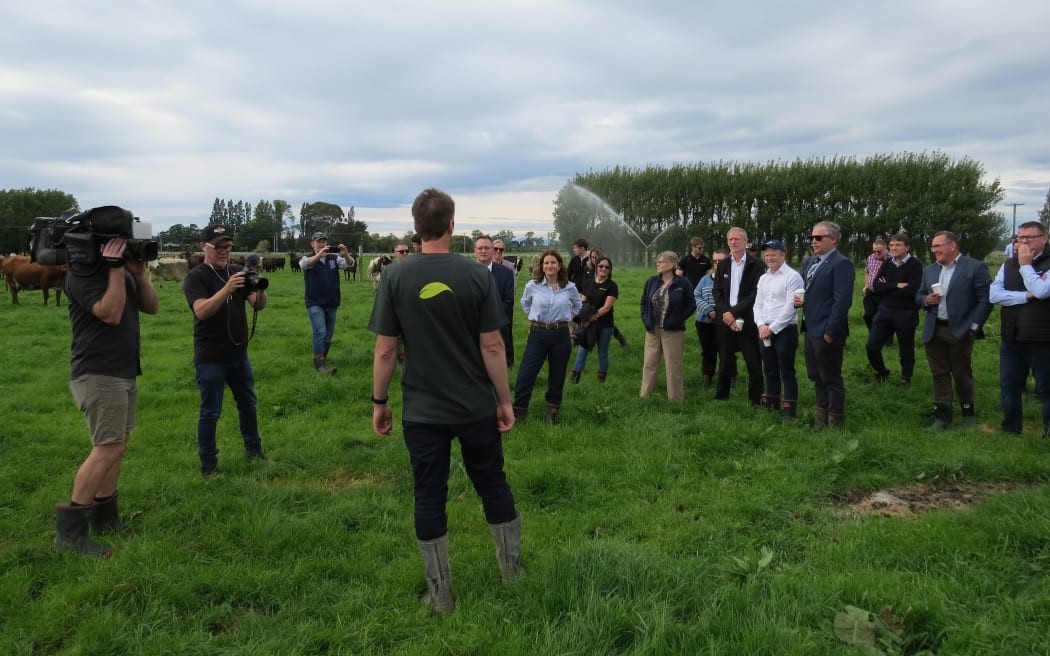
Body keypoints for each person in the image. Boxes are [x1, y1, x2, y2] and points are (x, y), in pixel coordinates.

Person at [369, 188, 520, 613]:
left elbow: (384, 350)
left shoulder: (396, 275)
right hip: (475, 405)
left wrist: (379, 400)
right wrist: (504, 400)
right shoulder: (477, 274)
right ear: (452, 226)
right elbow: (493, 346)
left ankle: (440, 594)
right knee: (492, 482)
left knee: (428, 495)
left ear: (416, 230)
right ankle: (511, 572)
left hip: (422, 410)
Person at [56, 210, 159, 557]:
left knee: (118, 443)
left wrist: (137, 274)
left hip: (123, 370)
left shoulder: (122, 273)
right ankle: (70, 533)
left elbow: (153, 307)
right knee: (106, 448)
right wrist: (115, 270)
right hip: (98, 372)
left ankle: (105, 516)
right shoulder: (83, 275)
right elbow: (111, 313)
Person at [183, 225, 268, 476]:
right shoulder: (196, 277)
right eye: (217, 247)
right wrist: (227, 289)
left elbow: (257, 306)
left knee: (248, 405)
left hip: (239, 355)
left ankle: (255, 452)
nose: (223, 252)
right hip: (210, 357)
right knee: (211, 412)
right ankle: (208, 465)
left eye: (227, 247)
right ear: (204, 247)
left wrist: (259, 288)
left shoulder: (235, 271)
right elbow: (201, 311)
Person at [916, 230, 992, 432]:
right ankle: (942, 417)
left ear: (952, 246)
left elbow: (985, 299)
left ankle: (968, 413)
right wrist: (925, 300)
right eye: (933, 247)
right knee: (939, 373)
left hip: (961, 330)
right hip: (935, 329)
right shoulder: (930, 270)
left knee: (962, 372)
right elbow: (919, 294)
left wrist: (974, 327)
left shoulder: (975, 267)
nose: (934, 250)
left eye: (938, 246)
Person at [989, 221, 1050, 436]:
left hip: (1043, 338)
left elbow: (1042, 291)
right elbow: (994, 295)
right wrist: (1025, 296)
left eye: (1029, 238)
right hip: (1012, 336)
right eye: (1020, 238)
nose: (1022, 242)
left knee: (1046, 390)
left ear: (1044, 238)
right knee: (1009, 387)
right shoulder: (1008, 265)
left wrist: (1026, 266)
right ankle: (1011, 430)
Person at [796, 221, 855, 430]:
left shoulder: (841, 264)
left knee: (830, 376)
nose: (814, 241)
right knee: (815, 375)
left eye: (819, 238)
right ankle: (820, 419)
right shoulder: (809, 262)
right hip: (810, 328)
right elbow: (807, 291)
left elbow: (842, 301)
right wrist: (799, 301)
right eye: (812, 237)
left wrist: (831, 331)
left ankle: (836, 420)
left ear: (834, 240)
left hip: (827, 331)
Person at [513, 250, 582, 423]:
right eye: (546, 263)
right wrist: (533, 318)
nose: (549, 266)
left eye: (553, 263)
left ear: (559, 266)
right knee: (526, 374)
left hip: (561, 335)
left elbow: (578, 304)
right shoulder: (532, 285)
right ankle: (519, 412)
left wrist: (568, 317)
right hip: (537, 334)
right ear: (542, 266)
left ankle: (551, 412)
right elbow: (524, 302)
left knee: (557, 375)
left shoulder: (569, 287)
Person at [712, 227, 764, 406]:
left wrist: (734, 313)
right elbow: (717, 292)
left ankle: (756, 401)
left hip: (747, 321)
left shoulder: (756, 265)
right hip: (725, 321)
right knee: (725, 362)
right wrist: (727, 314)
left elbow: (754, 293)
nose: (733, 242)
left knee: (754, 363)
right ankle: (721, 397)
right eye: (730, 240)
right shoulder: (724, 264)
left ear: (745, 241)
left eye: (737, 239)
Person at [752, 240, 803, 419]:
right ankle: (771, 405)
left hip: (784, 331)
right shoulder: (764, 278)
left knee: (786, 370)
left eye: (774, 254)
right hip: (764, 329)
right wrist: (760, 325)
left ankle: (789, 410)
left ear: (783, 254)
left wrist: (772, 328)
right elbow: (757, 304)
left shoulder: (792, 276)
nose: (770, 258)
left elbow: (791, 307)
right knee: (770, 369)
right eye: (767, 255)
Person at [865, 233, 922, 384]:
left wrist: (887, 286)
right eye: (891, 245)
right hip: (885, 310)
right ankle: (881, 371)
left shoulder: (915, 265)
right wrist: (896, 285)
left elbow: (912, 290)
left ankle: (906, 377)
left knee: (906, 349)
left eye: (898, 245)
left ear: (907, 247)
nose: (894, 248)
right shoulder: (888, 263)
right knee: (871, 346)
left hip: (906, 312)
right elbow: (876, 286)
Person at [640, 251, 695, 401]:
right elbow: (644, 303)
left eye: (661, 261)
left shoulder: (683, 283)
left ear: (672, 264)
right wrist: (646, 320)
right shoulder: (651, 281)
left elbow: (691, 305)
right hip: (653, 330)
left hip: (673, 331)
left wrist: (679, 319)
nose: (658, 264)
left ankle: (675, 399)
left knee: (673, 366)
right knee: (649, 364)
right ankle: (645, 396)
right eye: (657, 261)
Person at [300, 231, 351, 374]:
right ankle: (320, 365)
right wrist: (319, 255)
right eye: (319, 242)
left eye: (324, 242)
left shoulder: (334, 259)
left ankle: (322, 358)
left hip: (332, 301)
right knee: (320, 332)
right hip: (314, 301)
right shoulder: (308, 258)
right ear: (312, 244)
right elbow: (304, 265)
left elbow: (350, 264)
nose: (322, 244)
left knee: (328, 336)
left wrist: (345, 254)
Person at [570, 256, 619, 384]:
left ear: (610, 270)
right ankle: (574, 379)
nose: (603, 269)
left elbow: (606, 308)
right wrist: (580, 318)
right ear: (596, 267)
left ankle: (601, 382)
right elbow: (583, 302)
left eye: (607, 267)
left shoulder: (612, 286)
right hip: (587, 324)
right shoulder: (588, 282)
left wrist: (591, 319)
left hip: (605, 325)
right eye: (601, 266)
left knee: (602, 352)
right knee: (582, 350)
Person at [475, 235, 516, 367]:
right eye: (480, 248)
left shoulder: (506, 274)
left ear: (492, 250)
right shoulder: (465, 273)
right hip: (473, 326)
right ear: (475, 250)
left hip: (497, 327)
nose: (483, 251)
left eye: (487, 248)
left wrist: (488, 317)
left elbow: (508, 302)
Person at [693, 249, 726, 387]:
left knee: (725, 350)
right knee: (708, 351)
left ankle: (729, 376)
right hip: (704, 322)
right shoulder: (705, 279)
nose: (718, 263)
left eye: (721, 260)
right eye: (715, 261)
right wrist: (708, 310)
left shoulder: (729, 280)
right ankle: (707, 376)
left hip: (723, 322)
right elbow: (696, 295)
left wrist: (719, 312)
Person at [862, 238, 892, 333]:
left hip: (885, 293)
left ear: (886, 249)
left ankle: (887, 338)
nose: (876, 254)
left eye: (879, 251)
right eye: (874, 251)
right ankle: (873, 334)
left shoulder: (892, 259)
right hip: (871, 292)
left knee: (884, 317)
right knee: (868, 315)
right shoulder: (871, 258)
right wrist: (867, 284)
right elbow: (867, 271)